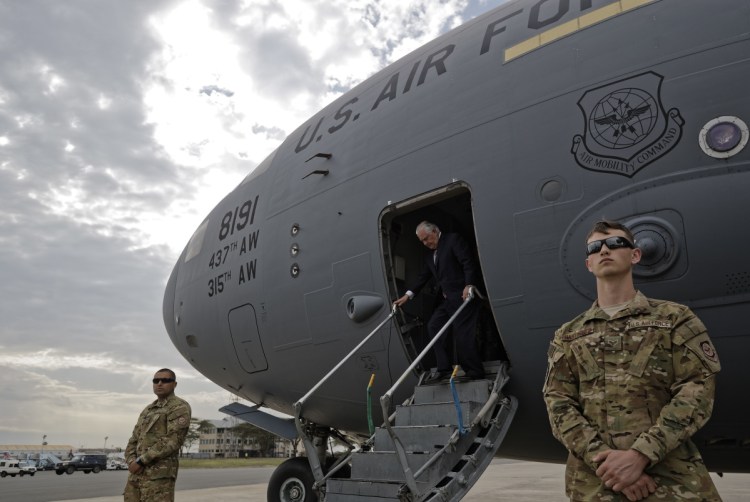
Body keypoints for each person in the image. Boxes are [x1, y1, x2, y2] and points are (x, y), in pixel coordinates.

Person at [543, 220, 722, 501]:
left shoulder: (674, 318)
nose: (604, 250)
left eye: (615, 243)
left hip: (670, 480)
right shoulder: (568, 335)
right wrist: (608, 466)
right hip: (596, 483)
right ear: (588, 263)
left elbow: (697, 389)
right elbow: (558, 403)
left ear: (635, 255)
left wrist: (641, 455)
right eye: (595, 247)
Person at [393, 221, 484, 381]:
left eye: (427, 238)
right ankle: (443, 368)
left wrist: (469, 285)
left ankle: (474, 371)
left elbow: (467, 262)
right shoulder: (430, 256)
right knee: (434, 326)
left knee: (463, 334)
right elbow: (423, 277)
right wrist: (408, 295)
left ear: (435, 230)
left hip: (463, 297)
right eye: (422, 241)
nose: (426, 243)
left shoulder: (452, 240)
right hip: (447, 301)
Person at [124, 368, 192, 502]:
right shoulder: (148, 409)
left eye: (165, 380)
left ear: (174, 384)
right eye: (156, 380)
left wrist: (141, 461)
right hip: (136, 475)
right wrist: (131, 460)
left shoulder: (179, 407)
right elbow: (134, 439)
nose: (159, 383)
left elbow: (173, 440)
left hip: (158, 477)